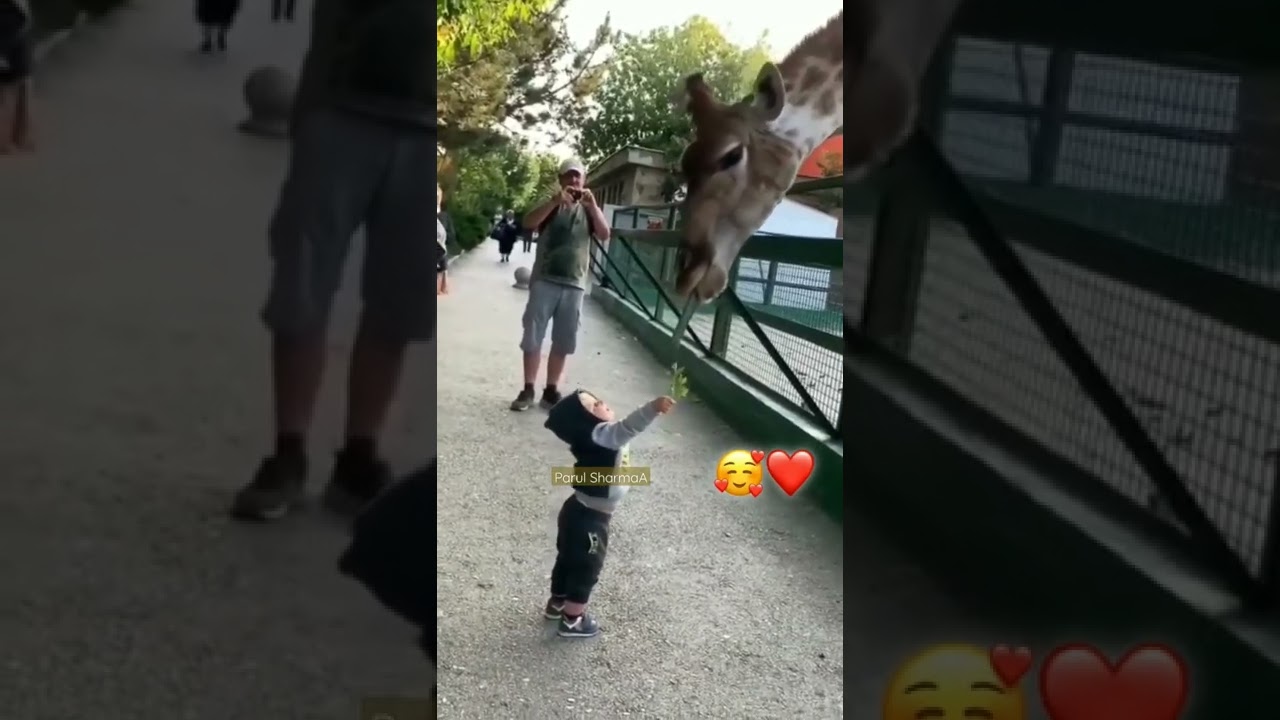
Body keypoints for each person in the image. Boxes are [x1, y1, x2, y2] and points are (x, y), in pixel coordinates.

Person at [230, 0, 433, 521]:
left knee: (400, 301)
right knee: (302, 282)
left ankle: (358, 458)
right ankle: (288, 451)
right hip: (342, 105)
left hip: (435, 123)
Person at [542, 390, 676, 637]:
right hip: (591, 520)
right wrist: (653, 407)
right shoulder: (603, 435)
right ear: (587, 421)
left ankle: (557, 603)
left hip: (575, 509)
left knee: (567, 559)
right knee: (586, 567)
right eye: (593, 406)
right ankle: (572, 620)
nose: (601, 402)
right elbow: (630, 426)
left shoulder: (589, 437)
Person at [510, 159, 610, 412]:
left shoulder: (589, 208)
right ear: (561, 178)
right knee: (533, 336)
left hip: (575, 284)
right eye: (569, 176)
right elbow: (529, 223)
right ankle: (528, 388)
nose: (574, 181)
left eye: (578, 177)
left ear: (584, 180)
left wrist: (593, 206)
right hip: (544, 280)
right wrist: (555, 201)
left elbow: (604, 233)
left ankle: (551, 389)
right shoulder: (551, 203)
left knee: (564, 340)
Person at [0, 0, 33, 153]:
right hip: (8, 15)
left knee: (22, 80)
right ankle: (4, 141)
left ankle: (20, 137)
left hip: (18, 17)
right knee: (8, 88)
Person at [437, 184, 453, 295]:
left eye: (438, 196)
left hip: (439, 255)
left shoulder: (445, 216)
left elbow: (451, 236)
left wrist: (441, 240)